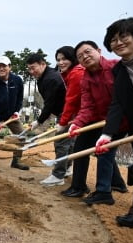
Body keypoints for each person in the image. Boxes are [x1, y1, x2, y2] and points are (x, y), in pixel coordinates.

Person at [96, 17, 133, 227]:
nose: (118, 42)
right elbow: (117, 105)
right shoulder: (118, 71)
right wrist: (106, 134)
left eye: (123, 36)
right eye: (113, 40)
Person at [61, 40, 128, 205]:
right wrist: (77, 123)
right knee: (98, 150)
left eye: (88, 52)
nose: (85, 56)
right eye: (80, 56)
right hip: (101, 120)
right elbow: (87, 107)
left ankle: (104, 192)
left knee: (104, 151)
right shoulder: (85, 79)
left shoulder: (116, 67)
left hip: (123, 120)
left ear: (98, 50)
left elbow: (124, 98)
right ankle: (115, 185)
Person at [26, 53, 68, 186]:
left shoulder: (50, 78)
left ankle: (58, 175)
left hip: (67, 113)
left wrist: (38, 121)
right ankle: (67, 169)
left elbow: (49, 104)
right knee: (69, 143)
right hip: (65, 112)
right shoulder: (45, 76)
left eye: (34, 68)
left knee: (60, 143)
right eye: (29, 69)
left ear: (43, 64)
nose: (32, 71)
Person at [0, 55, 27, 172]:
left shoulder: (17, 80)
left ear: (10, 67)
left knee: (21, 135)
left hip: (11, 114)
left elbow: (19, 98)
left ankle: (16, 160)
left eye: (4, 66)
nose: (1, 69)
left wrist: (17, 111)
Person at [54, 46, 86, 178]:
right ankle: (117, 183)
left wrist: (63, 123)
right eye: (58, 59)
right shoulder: (69, 73)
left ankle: (58, 175)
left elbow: (71, 101)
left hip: (85, 113)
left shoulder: (76, 73)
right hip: (80, 114)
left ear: (72, 58)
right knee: (73, 142)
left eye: (64, 59)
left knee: (61, 141)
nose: (61, 62)